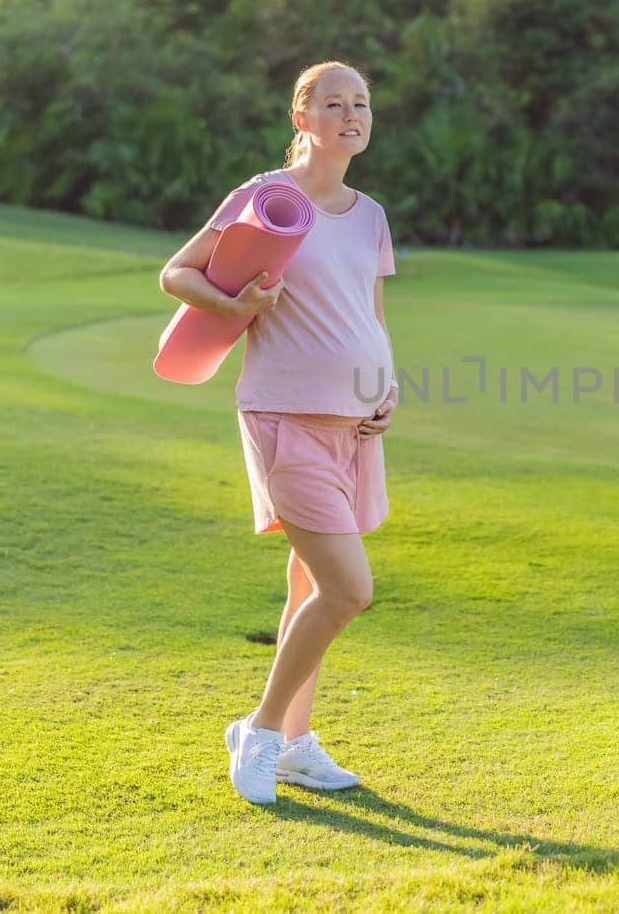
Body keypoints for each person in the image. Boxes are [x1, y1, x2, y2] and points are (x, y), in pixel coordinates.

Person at [158, 60, 399, 805]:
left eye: (360, 103)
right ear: (302, 117)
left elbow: (371, 313)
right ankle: (258, 731)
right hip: (283, 416)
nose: (350, 114)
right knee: (348, 588)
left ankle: (295, 745)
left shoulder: (370, 214)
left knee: (308, 582)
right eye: (333, 103)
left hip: (356, 428)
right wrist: (237, 307)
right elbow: (178, 273)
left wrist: (387, 385)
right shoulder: (269, 196)